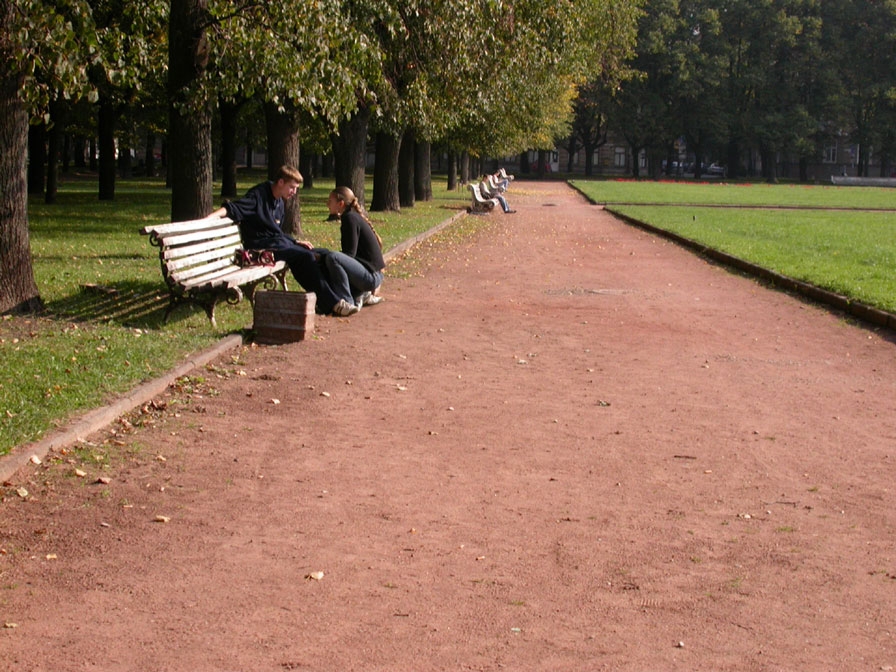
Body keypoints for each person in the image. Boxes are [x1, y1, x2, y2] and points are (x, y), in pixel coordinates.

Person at [208, 166, 359, 316]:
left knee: (323, 253)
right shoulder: (258, 196)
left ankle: (344, 295)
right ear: (281, 182)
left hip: (276, 243)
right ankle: (333, 304)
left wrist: (295, 241)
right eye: (292, 187)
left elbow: (276, 232)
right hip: (259, 246)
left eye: (296, 188)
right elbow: (234, 208)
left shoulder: (279, 201)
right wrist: (210, 218)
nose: (294, 192)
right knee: (304, 257)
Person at [323, 186, 386, 307]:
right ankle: (360, 294)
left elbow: (349, 254)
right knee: (330, 256)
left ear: (341, 203)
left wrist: (324, 256)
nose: (327, 204)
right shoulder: (352, 216)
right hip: (373, 274)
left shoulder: (349, 218)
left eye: (330, 201)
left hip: (371, 277)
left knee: (333, 258)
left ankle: (348, 302)